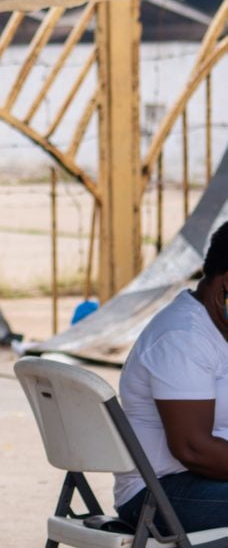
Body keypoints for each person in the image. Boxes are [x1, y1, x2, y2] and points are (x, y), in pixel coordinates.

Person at [114, 220, 228, 533]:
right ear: (224, 288)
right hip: (161, 495)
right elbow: (193, 449)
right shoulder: (182, 338)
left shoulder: (219, 328)